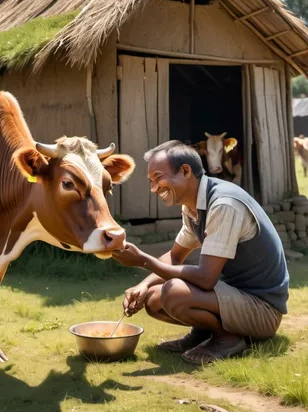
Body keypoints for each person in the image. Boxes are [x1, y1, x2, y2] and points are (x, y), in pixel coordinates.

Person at [112, 140, 289, 365]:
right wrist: (143, 285)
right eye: (151, 181)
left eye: (158, 178)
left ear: (185, 171)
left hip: (263, 311)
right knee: (153, 298)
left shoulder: (224, 204)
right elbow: (175, 256)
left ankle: (227, 339)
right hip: (235, 298)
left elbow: (206, 279)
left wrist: (143, 260)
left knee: (173, 292)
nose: (154, 188)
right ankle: (203, 334)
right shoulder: (193, 206)